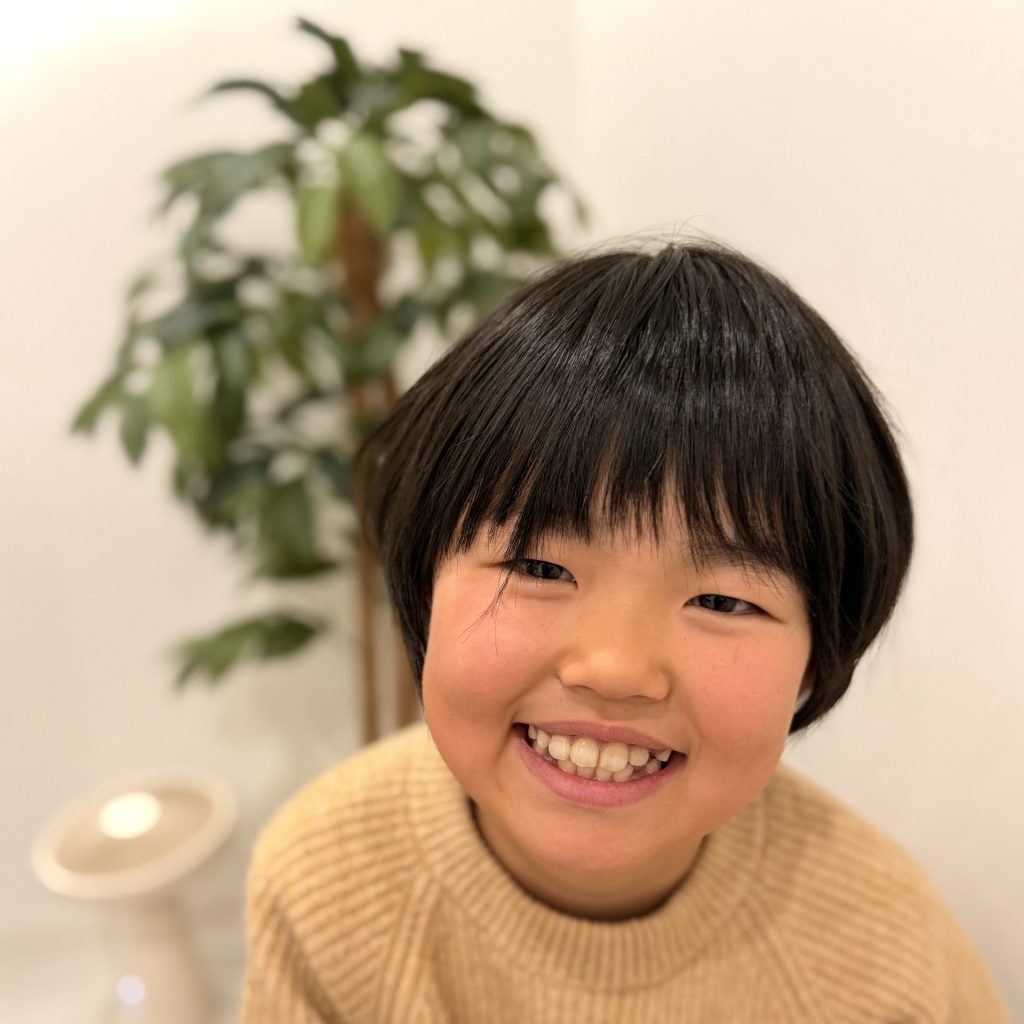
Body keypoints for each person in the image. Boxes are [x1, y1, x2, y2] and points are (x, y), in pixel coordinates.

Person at [241, 240, 1009, 1022]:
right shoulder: (324, 884)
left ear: (820, 654)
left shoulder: (884, 958)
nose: (614, 667)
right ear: (422, 582)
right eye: (539, 567)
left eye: (721, 602)